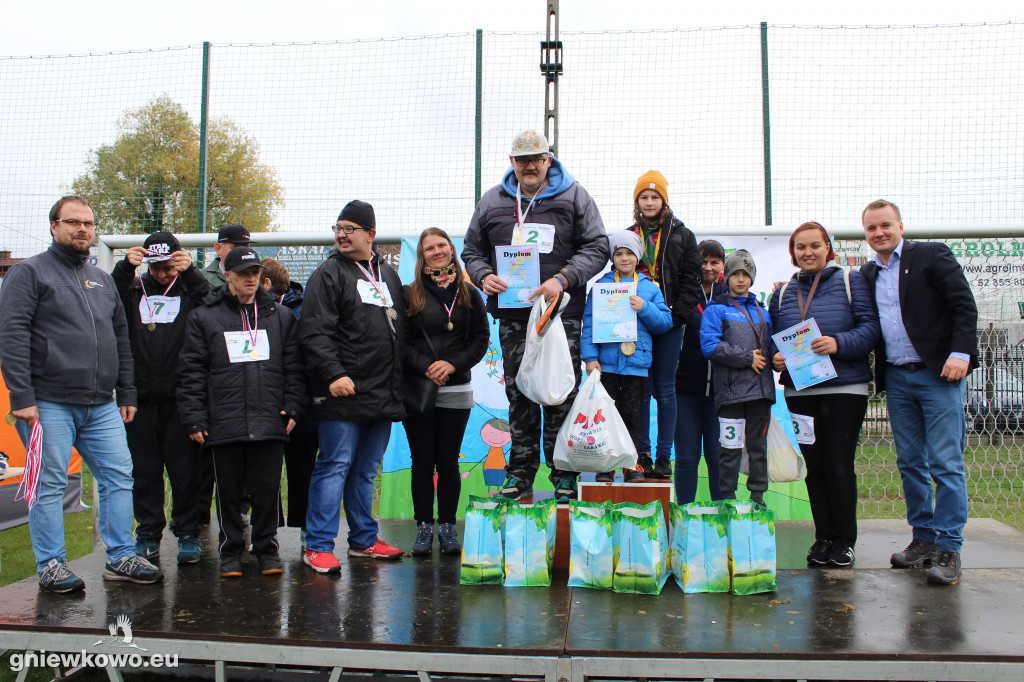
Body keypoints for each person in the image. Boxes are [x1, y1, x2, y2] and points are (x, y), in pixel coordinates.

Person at [0, 195, 162, 592]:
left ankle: (121, 555)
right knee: (50, 483)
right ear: (54, 226)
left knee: (119, 476)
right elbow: (12, 334)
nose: (82, 230)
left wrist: (126, 390)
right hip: (47, 402)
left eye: (88, 223)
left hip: (101, 403)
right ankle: (51, 565)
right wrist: (21, 396)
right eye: (73, 222)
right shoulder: (29, 273)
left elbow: (119, 337)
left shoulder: (103, 280)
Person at [461, 130, 609, 501]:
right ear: (512, 162)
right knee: (520, 393)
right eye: (522, 159)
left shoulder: (574, 195)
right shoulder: (492, 201)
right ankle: (520, 474)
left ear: (548, 159)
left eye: (536, 158)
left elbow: (598, 246)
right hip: (514, 316)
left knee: (562, 391)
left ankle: (564, 475)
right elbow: (470, 250)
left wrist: (563, 278)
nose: (529, 165)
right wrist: (482, 275)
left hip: (561, 315)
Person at [859, 199, 978, 586]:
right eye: (872, 228)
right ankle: (923, 539)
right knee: (910, 462)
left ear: (900, 226)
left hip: (938, 375)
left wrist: (960, 353)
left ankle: (949, 548)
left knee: (945, 463)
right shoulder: (867, 273)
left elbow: (964, 306)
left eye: (885, 225)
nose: (879, 233)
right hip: (897, 379)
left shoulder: (931, 255)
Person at [177, 247, 305, 578]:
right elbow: (192, 370)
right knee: (229, 492)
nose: (251, 279)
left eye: (255, 273)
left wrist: (293, 405)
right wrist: (194, 416)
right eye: (243, 273)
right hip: (225, 419)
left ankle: (266, 549)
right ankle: (231, 550)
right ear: (228, 276)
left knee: (266, 490)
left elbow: (294, 367)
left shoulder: (280, 317)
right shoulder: (205, 317)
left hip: (269, 418)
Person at [300, 200, 407, 573]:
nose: (342, 235)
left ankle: (363, 540)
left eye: (351, 228)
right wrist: (333, 374)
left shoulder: (387, 275)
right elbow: (314, 331)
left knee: (366, 470)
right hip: (342, 394)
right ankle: (317, 545)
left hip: (382, 394)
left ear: (371, 235)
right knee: (334, 465)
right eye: (338, 228)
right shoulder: (328, 274)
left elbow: (401, 327)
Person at [768, 222, 880, 567]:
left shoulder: (852, 281)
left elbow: (871, 329)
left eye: (815, 245)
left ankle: (845, 540)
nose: (808, 252)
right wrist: (775, 358)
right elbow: (772, 337)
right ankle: (823, 539)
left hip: (844, 388)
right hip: (801, 391)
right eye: (801, 247)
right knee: (814, 467)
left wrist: (838, 343)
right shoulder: (783, 293)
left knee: (838, 464)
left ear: (827, 247)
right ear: (793, 253)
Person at [111, 231, 211, 565]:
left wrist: (192, 273)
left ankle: (187, 532)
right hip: (139, 399)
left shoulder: (188, 288)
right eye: (156, 268)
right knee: (145, 471)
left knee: (185, 471)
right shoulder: (134, 288)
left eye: (168, 266)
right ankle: (148, 533)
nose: (162, 274)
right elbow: (109, 298)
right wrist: (126, 268)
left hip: (182, 398)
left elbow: (215, 306)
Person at [403, 228, 489, 556]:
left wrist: (451, 364)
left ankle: (448, 526)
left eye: (441, 246)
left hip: (457, 389)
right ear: (421, 256)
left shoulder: (469, 293)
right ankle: (424, 527)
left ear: (452, 250)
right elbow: (403, 343)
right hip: (420, 390)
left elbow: (480, 340)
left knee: (449, 462)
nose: (437, 252)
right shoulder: (410, 293)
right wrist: (428, 366)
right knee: (422, 462)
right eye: (429, 248)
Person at [626, 171, 703, 479]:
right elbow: (619, 278)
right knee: (641, 388)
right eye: (643, 197)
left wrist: (677, 316)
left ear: (664, 201)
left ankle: (663, 457)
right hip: (638, 323)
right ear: (636, 202)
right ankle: (642, 454)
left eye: (655, 197)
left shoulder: (682, 235)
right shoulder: (629, 235)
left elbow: (692, 280)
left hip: (669, 322)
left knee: (666, 389)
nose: (649, 202)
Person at [581, 231, 673, 481]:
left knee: (632, 416)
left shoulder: (648, 288)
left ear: (638, 256)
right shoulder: (601, 286)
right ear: (612, 257)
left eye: (629, 253)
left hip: (636, 365)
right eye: (619, 254)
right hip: (607, 366)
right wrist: (590, 358)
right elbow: (589, 323)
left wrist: (645, 307)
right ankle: (606, 466)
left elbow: (665, 323)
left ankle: (631, 463)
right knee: (605, 416)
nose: (624, 258)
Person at [699, 249, 774, 506]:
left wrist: (777, 359)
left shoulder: (764, 311)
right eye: (735, 274)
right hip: (730, 394)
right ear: (726, 277)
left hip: (761, 392)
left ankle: (757, 497)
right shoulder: (716, 309)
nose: (740, 279)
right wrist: (746, 358)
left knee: (758, 448)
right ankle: (727, 498)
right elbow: (710, 346)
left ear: (752, 277)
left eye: (745, 274)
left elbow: (770, 348)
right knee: (729, 449)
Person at [260, 257, 318, 546]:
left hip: (301, 407)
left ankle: (305, 528)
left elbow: (306, 359)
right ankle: (268, 530)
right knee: (265, 472)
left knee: (302, 470)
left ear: (267, 283)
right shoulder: (250, 310)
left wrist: (298, 400)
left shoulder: (303, 309)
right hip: (266, 403)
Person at [673, 239, 727, 504]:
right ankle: (684, 517)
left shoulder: (731, 297)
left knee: (718, 457)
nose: (708, 267)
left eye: (714, 262)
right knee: (686, 457)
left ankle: (721, 518)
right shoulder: (683, 293)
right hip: (684, 391)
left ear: (723, 266)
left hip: (720, 394)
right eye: (703, 261)